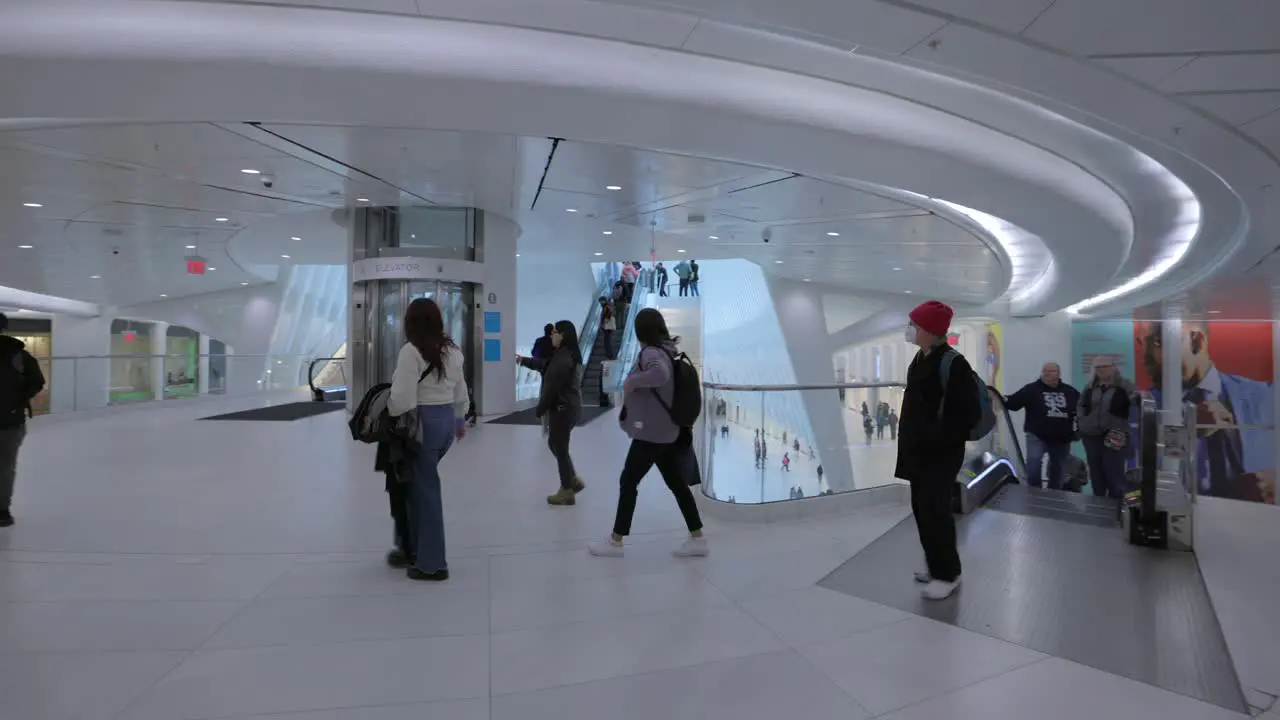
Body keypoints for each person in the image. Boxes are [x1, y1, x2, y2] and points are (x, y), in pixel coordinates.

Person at [590, 308, 707, 558]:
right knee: (676, 484)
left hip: (652, 434)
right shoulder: (667, 349)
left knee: (628, 481)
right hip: (667, 431)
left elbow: (659, 374)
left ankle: (615, 542)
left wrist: (632, 382)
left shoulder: (652, 352)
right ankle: (698, 538)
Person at [896, 300, 980, 600]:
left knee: (936, 512)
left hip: (939, 455)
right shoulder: (921, 358)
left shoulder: (954, 364)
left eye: (914, 325)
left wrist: (936, 439)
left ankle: (948, 574)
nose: (909, 330)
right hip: (917, 453)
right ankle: (936, 566)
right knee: (922, 511)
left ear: (929, 330)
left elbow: (967, 414)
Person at [1138, 321, 1274, 503]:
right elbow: (1140, 475)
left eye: (1156, 343)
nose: (1146, 358)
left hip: (1254, 523)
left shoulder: (1266, 395)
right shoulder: (1141, 408)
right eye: (1142, 344)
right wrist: (1187, 431)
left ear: (1197, 342)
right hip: (1186, 520)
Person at [387, 298, 469, 581]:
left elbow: (401, 398)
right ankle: (411, 547)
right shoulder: (453, 351)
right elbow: (461, 392)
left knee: (426, 491)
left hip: (421, 424)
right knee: (417, 485)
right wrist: (458, 420)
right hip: (445, 423)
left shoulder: (411, 352)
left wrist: (390, 413)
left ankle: (432, 563)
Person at [516, 320, 586, 506]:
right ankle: (571, 481)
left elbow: (552, 387)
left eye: (555, 332)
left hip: (563, 408)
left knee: (559, 447)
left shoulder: (563, 358)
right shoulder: (564, 354)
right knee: (556, 444)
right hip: (569, 407)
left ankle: (567, 488)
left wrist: (540, 409)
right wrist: (523, 361)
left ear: (563, 335)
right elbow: (544, 366)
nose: (552, 335)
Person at [0, 312, 45, 528]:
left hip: (10, 419)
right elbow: (37, 381)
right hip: (10, 421)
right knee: (5, 467)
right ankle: (2, 512)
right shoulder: (19, 355)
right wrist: (18, 400)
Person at [1003, 362, 1080, 490]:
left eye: (1051, 371)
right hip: (1036, 435)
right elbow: (1014, 403)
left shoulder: (1070, 392)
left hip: (1062, 438)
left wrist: (1079, 431)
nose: (1047, 373)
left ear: (1059, 374)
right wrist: (1001, 399)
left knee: (1058, 469)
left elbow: (1082, 411)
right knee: (1033, 464)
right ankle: (1034, 492)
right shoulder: (1031, 389)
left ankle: (1054, 494)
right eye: (1044, 371)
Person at [1078, 357, 1133, 499]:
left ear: (1113, 367)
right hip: (1091, 434)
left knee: (1113, 470)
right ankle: (1099, 504)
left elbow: (1134, 405)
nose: (1101, 370)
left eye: (1104, 366)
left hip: (1115, 434)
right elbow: (1081, 406)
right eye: (1097, 367)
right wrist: (1083, 423)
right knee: (1096, 470)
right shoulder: (1090, 387)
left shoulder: (1124, 385)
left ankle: (1117, 505)